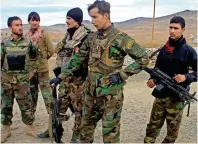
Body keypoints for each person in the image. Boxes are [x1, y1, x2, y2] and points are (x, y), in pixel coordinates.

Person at [50, 0, 150, 143]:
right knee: (85, 131)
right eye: (91, 17)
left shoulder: (121, 38)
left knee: (110, 136)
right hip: (91, 94)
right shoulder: (91, 38)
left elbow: (144, 58)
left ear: (106, 15)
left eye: (95, 17)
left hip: (110, 96)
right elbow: (78, 58)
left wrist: (123, 74)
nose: (92, 21)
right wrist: (61, 76)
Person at [37, 7, 91, 142]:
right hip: (64, 79)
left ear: (77, 20)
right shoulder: (68, 35)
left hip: (78, 81)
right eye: (66, 18)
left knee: (79, 110)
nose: (66, 21)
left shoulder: (86, 37)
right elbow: (57, 50)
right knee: (59, 107)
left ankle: (76, 136)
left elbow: (83, 60)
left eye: (69, 18)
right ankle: (55, 130)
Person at [144, 16, 197, 143]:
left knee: (172, 132)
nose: (172, 31)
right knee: (152, 127)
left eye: (176, 28)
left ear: (183, 30)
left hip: (176, 97)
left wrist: (186, 77)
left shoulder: (189, 51)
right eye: (170, 27)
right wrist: (152, 80)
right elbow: (157, 70)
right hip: (160, 96)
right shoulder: (163, 50)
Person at [1, 16, 39, 143]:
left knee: (26, 106)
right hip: (7, 81)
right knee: (6, 106)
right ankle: (6, 130)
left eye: (21, 25)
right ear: (10, 27)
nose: (20, 27)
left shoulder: (28, 42)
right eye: (16, 25)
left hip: (22, 81)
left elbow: (36, 56)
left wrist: (33, 70)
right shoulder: (4, 43)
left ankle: (30, 128)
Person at [26, 12, 54, 114]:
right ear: (29, 21)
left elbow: (51, 50)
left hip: (42, 70)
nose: (35, 22)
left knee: (47, 94)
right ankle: (30, 116)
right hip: (31, 71)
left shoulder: (44, 34)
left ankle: (52, 117)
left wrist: (43, 59)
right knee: (31, 94)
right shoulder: (26, 35)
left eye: (37, 20)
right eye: (33, 20)